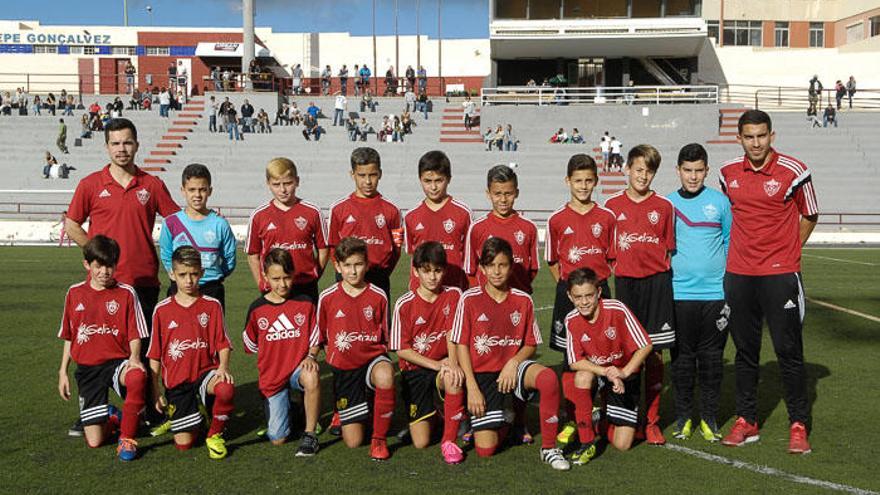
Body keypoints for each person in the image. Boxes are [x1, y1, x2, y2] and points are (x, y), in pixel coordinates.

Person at [64, 118, 179, 434]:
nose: (122, 149)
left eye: (127, 142)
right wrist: (96, 255)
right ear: (106, 147)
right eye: (115, 143)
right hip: (102, 286)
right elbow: (72, 224)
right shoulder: (90, 184)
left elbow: (175, 224)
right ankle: (93, 409)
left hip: (142, 281)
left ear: (137, 145)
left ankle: (144, 410)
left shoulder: (151, 185)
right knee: (97, 345)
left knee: (139, 351)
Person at [718, 109, 818, 454]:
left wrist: (787, 252)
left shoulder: (795, 170)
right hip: (739, 274)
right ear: (740, 138)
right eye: (749, 136)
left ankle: (798, 424)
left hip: (780, 274)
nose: (756, 142)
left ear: (772, 136)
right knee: (745, 351)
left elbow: (810, 214)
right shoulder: (726, 173)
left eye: (762, 135)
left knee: (788, 352)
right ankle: (747, 420)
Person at [451, 237, 570, 470]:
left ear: (511, 266)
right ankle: (507, 416)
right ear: (482, 268)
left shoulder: (522, 299)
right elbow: (461, 344)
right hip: (482, 375)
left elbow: (531, 345)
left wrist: (513, 362)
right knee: (485, 450)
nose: (497, 271)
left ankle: (549, 448)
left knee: (547, 378)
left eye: (503, 265)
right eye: (491, 265)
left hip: (513, 371)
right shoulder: (469, 298)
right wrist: (472, 388)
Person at [604, 144, 676, 445]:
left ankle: (652, 421)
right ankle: (628, 417)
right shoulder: (611, 207)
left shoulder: (664, 207)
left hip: (657, 284)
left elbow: (668, 249)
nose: (643, 176)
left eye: (649, 171)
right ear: (627, 170)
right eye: (638, 170)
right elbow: (609, 254)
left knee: (655, 354)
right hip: (626, 286)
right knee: (626, 352)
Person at [544, 155, 616, 446]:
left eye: (589, 180)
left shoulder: (607, 218)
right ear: (568, 182)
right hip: (568, 297)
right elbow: (551, 261)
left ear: (596, 182)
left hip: (600, 296)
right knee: (569, 358)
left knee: (604, 354)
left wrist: (594, 291)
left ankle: (603, 411)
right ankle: (572, 415)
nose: (584, 186)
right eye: (578, 180)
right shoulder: (557, 219)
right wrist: (569, 292)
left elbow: (612, 259)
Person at [56, 235, 149, 461]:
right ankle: (114, 419)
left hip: (117, 364)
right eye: (98, 266)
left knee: (136, 376)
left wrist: (135, 358)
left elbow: (135, 332)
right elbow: (70, 336)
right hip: (88, 369)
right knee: (95, 441)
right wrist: (62, 372)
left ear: (116, 265)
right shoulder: (74, 293)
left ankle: (127, 439)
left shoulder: (126, 293)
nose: (104, 272)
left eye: (110, 266)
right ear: (87, 265)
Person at [667, 143, 732, 442]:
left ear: (707, 171)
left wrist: (730, 288)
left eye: (698, 171)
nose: (693, 177)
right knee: (681, 359)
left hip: (715, 295)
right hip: (679, 294)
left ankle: (709, 417)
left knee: (712, 358)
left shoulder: (720, 203)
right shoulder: (666, 205)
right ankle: (683, 418)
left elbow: (732, 245)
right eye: (687, 170)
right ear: (678, 170)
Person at [147, 246, 234, 459]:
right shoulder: (162, 310)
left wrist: (223, 367)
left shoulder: (212, 305)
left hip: (206, 373)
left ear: (202, 273)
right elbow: (155, 355)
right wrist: (155, 390)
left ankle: (214, 434)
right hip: (178, 381)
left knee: (226, 389)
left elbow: (222, 342)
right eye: (183, 275)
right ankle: (197, 414)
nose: (189, 280)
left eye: (194, 274)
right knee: (184, 444)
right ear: (172, 274)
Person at [316, 237, 395, 460]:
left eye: (358, 264)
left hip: (372, 360)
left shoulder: (378, 295)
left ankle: (379, 440)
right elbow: (319, 336)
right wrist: (313, 357)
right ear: (338, 266)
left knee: (386, 374)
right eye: (348, 265)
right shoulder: (328, 297)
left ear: (367, 265)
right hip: (345, 369)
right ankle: (363, 404)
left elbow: (386, 336)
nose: (353, 271)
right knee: (353, 442)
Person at [563, 268, 653, 458]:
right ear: (570, 297)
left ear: (599, 293)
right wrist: (606, 372)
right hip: (601, 373)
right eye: (578, 297)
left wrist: (624, 372)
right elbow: (575, 362)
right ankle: (586, 440)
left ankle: (599, 419)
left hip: (625, 373)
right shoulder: (570, 320)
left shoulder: (616, 309)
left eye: (589, 295)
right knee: (582, 376)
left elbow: (645, 345)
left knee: (623, 444)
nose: (584, 302)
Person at [390, 242, 465, 463]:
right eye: (426, 270)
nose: (432, 277)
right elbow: (401, 350)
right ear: (415, 271)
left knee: (453, 377)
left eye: (438, 270)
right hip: (416, 370)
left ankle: (448, 441)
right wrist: (436, 365)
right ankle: (441, 414)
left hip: (443, 366)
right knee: (421, 443)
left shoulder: (454, 295)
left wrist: (451, 363)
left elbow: (454, 333)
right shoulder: (405, 304)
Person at [242, 248, 321, 455]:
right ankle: (292, 407)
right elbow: (251, 345)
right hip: (273, 375)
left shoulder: (305, 302)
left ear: (294, 274)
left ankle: (310, 434)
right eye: (276, 278)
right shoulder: (257, 309)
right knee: (278, 438)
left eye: (287, 277)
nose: (282, 284)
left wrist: (311, 355)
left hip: (298, 369)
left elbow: (315, 337)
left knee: (311, 375)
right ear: (265, 277)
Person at [246, 157, 328, 302]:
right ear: (268, 184)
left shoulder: (313, 212)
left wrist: (315, 275)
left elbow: (323, 248)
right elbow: (253, 253)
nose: (283, 190)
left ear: (297, 181)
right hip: (274, 286)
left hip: (305, 285)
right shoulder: (259, 215)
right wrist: (261, 282)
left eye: (288, 183)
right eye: (276, 184)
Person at [327, 147, 401, 300]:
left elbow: (396, 248)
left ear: (380, 174)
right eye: (362, 175)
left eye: (372, 175)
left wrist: (384, 271)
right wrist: (341, 270)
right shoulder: (338, 208)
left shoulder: (392, 210)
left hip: (378, 277)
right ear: (352, 174)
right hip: (347, 277)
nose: (367, 181)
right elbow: (333, 246)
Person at [158, 164, 236, 308]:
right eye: (192, 190)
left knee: (212, 331)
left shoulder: (220, 224)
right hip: (179, 289)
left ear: (210, 191)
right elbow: (166, 254)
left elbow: (229, 259)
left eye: (202, 190)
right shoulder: (171, 222)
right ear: (183, 191)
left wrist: (214, 276)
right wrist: (179, 277)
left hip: (211, 289)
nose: (197, 195)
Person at [403, 150, 472, 292]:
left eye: (439, 181)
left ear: (449, 179)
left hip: (453, 291)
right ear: (420, 179)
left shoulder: (463, 213)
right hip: (420, 292)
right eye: (427, 181)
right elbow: (412, 256)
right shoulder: (411, 216)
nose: (433, 187)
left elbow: (470, 257)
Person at [465, 164, 539, 294]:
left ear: (516, 193)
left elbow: (533, 269)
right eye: (497, 194)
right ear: (488, 194)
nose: (503, 199)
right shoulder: (477, 228)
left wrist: (518, 289)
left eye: (508, 194)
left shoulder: (529, 227)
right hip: (485, 302)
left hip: (518, 303)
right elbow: (470, 270)